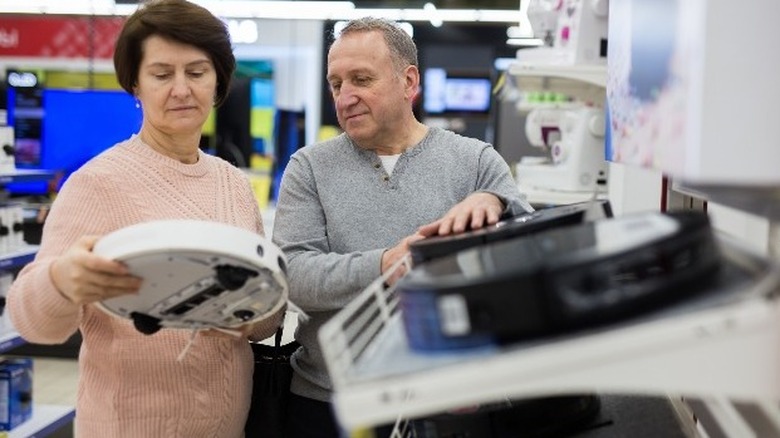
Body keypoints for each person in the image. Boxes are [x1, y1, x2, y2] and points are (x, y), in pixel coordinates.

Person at [6, 0, 282, 436]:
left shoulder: (232, 183)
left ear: (218, 82)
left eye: (196, 72)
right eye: (161, 74)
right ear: (135, 83)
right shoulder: (98, 182)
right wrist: (61, 279)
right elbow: (31, 320)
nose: (181, 89)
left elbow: (264, 320)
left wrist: (252, 307)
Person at [272, 17, 532, 437]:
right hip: (330, 404)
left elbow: (528, 250)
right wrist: (386, 265)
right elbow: (294, 276)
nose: (345, 97)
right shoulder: (310, 168)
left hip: (449, 404)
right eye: (336, 84)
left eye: (361, 79)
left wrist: (498, 202)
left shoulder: (476, 161)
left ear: (408, 81)